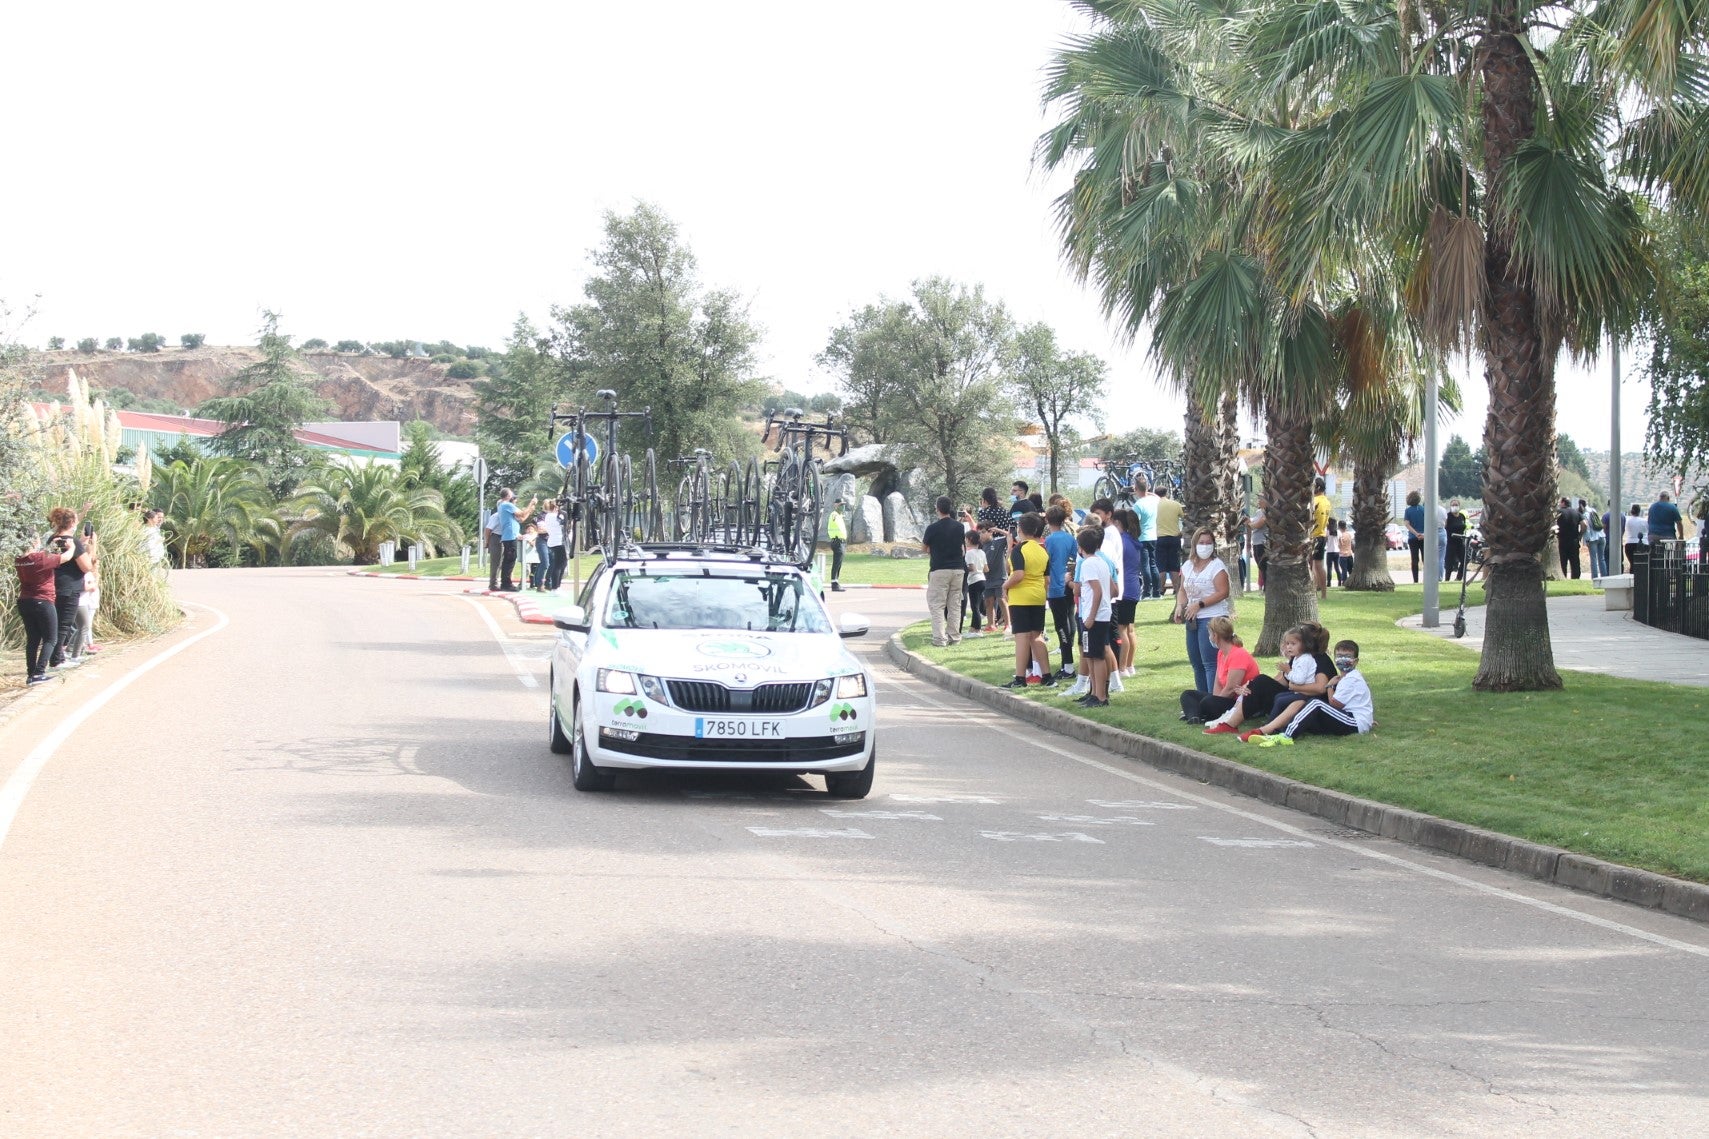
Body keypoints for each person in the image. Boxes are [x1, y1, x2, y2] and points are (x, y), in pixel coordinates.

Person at [1243, 639, 1374, 744]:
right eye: (1339, 656)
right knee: (1307, 706)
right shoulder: (1347, 677)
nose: (1343, 659)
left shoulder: (1351, 679)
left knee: (1316, 703)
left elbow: (1335, 704)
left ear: (1355, 661)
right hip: (1352, 718)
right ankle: (1274, 730)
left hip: (1354, 721)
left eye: (1347, 656)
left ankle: (1286, 735)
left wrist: (1329, 686)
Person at [1214, 623, 1335, 735]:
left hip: (1308, 703)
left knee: (1265, 686)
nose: (1289, 646)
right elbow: (1280, 681)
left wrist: (1294, 686)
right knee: (1260, 682)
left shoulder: (1320, 659)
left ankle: (1236, 723)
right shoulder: (1297, 657)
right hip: (1294, 695)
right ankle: (1231, 720)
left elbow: (1320, 688)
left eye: (1294, 642)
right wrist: (1252, 686)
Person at [1172, 526, 1231, 697]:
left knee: (1209, 662)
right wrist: (1179, 606)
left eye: (1208, 543)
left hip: (1211, 616)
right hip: (1193, 618)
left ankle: (1213, 699)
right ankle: (1201, 698)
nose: (1205, 546)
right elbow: (1182, 589)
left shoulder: (1216, 566)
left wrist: (1201, 604)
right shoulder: (1188, 565)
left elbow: (1223, 591)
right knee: (1196, 662)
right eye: (1202, 542)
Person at [1000, 513, 1053, 688]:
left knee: (1021, 637)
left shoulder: (1020, 549)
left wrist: (1005, 586)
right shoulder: (1042, 550)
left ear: (1020, 529)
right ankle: (1047, 676)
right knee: (1036, 636)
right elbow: (1047, 579)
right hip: (1038, 596)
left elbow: (1018, 574)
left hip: (1021, 597)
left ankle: (1020, 677)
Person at [14, 533, 74, 685]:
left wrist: (49, 547)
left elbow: (36, 556)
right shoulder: (41, 558)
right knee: (51, 638)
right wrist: (71, 546)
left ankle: (31, 674)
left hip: (25, 601)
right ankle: (39, 672)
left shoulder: (19, 560)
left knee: (33, 640)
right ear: (34, 541)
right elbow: (66, 557)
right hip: (43, 601)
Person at [1183, 616, 1258, 727]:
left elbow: (1231, 689)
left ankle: (1198, 712)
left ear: (1215, 636)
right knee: (1187, 695)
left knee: (1207, 702)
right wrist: (1214, 698)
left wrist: (1215, 701)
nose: (1209, 637)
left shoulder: (1238, 654)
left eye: (1209, 634)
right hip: (1225, 699)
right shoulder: (1221, 653)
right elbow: (1218, 681)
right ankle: (1195, 717)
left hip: (1239, 702)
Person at [47, 508, 93, 670]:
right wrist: (85, 549)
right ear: (72, 522)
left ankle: (56, 656)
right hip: (70, 587)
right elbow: (86, 566)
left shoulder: (52, 540)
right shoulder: (74, 542)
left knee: (57, 623)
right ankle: (57, 659)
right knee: (64, 625)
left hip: (53, 585)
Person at [1072, 525, 1113, 708]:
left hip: (1094, 617)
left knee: (1096, 656)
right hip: (1095, 614)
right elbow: (1110, 588)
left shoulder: (1088, 564)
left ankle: (1101, 696)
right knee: (1090, 654)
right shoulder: (1101, 562)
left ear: (1081, 547)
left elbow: (1097, 592)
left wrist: (1091, 616)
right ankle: (1094, 692)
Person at [1088, 498, 1125, 693]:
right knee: (1103, 643)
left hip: (1106, 600)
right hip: (1106, 597)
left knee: (1105, 643)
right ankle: (1105, 683)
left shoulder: (1108, 538)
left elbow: (1111, 571)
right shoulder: (1108, 535)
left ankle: (1113, 680)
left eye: (1100, 513)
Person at [922, 496, 965, 648]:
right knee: (954, 604)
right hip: (958, 569)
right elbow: (962, 546)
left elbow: (924, 548)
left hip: (940, 569)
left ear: (938, 509)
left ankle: (939, 638)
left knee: (937, 604)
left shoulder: (932, 528)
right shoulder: (959, 527)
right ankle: (954, 635)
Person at [1043, 505, 1078, 679]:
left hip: (1056, 587)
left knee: (1061, 626)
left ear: (1047, 521)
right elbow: (1073, 560)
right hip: (1068, 584)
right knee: (1069, 618)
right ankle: (1067, 663)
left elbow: (1045, 563)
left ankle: (1069, 666)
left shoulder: (1048, 540)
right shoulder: (1071, 538)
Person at [1112, 508, 1143, 676]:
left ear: (1117, 523)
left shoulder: (1121, 541)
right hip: (1133, 588)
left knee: (1121, 629)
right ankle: (1129, 665)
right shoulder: (1132, 540)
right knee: (1130, 629)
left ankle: (1122, 667)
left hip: (1124, 589)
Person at [492, 488, 537, 592]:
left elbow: (521, 518)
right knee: (510, 560)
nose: (513, 496)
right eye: (511, 494)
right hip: (510, 536)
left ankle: (506, 583)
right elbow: (522, 514)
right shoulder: (507, 505)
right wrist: (531, 503)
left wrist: (530, 509)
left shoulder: (504, 506)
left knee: (509, 560)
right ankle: (506, 584)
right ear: (508, 496)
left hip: (510, 535)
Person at [1132, 477, 1161, 599]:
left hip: (1142, 537)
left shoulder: (1138, 505)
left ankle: (1147, 592)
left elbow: (1134, 522)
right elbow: (1158, 498)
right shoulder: (1154, 501)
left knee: (1145, 565)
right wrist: (1148, 492)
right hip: (1154, 535)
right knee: (1154, 564)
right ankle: (1157, 592)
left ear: (1135, 488)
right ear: (1148, 488)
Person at [1154, 488, 1184, 598]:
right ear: (1167, 493)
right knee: (1174, 566)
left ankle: (1161, 590)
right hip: (1174, 538)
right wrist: (1182, 532)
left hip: (1161, 538)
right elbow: (1185, 518)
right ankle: (1177, 589)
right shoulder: (1175, 504)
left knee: (1161, 567)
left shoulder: (1156, 505)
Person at [962, 529, 988, 636]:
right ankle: (973, 628)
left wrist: (964, 567)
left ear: (970, 540)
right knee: (976, 604)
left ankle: (977, 630)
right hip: (982, 579)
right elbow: (986, 569)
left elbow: (971, 567)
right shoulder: (982, 552)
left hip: (974, 580)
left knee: (975, 607)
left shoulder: (969, 553)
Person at [1310, 476, 1332, 599]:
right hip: (1322, 535)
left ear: (1317, 488)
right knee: (1319, 566)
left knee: (1312, 566)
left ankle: (1313, 592)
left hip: (1314, 536)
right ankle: (1323, 593)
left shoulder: (1315, 501)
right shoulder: (1327, 502)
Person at [541, 499, 567, 591]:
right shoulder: (555, 516)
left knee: (561, 564)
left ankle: (556, 586)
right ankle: (555, 587)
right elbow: (564, 523)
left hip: (555, 541)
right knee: (559, 565)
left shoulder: (549, 516)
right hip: (558, 542)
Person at [1555, 496, 1583, 579]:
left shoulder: (1559, 512)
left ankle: (1563, 576)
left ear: (1563, 503)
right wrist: (1580, 535)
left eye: (1560, 502)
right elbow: (1584, 524)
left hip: (1562, 540)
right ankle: (1576, 577)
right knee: (1575, 561)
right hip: (1574, 540)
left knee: (1563, 561)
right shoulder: (1576, 513)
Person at [1581, 498, 1608, 579]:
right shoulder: (1593, 510)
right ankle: (1604, 576)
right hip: (1601, 536)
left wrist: (1587, 540)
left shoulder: (1585, 514)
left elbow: (1587, 528)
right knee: (1602, 558)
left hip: (1593, 538)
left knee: (1593, 559)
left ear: (1581, 505)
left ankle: (1595, 577)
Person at [1403, 489, 1425, 583]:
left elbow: (1407, 524)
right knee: (1425, 559)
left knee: (1414, 559)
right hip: (1424, 537)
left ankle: (1415, 580)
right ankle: (1426, 579)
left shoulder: (1408, 511)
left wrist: (1416, 534)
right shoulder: (1423, 509)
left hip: (1413, 538)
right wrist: (1422, 534)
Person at [1247, 497, 1269, 591]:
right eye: (1258, 499)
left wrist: (1250, 524)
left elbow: (1259, 524)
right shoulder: (1258, 512)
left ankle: (1266, 588)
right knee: (1260, 565)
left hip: (1262, 543)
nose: (1259, 501)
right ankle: (1264, 587)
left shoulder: (1267, 513)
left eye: (1261, 499)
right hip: (1256, 542)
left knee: (1263, 565)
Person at [826, 498, 848, 591]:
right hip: (837, 541)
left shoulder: (839, 516)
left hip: (841, 542)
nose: (842, 506)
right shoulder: (834, 515)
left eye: (843, 505)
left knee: (839, 563)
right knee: (836, 563)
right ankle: (834, 584)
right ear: (836, 505)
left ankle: (836, 582)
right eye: (840, 505)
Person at [1445, 499, 1468, 581]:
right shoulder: (1448, 516)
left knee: (1464, 560)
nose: (1455, 506)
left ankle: (1459, 578)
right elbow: (1447, 527)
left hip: (1460, 542)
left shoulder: (1462, 516)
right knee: (1449, 562)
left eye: (1456, 505)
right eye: (1453, 505)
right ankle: (1447, 579)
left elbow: (1464, 526)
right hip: (1451, 542)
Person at [1623, 502, 1647, 571]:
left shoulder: (1627, 520)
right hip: (1643, 543)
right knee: (1642, 565)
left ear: (1631, 511)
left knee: (1632, 564)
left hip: (1629, 543)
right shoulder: (1644, 521)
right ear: (1639, 511)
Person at [522, 522, 544, 590]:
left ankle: (533, 584)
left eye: (531, 529)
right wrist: (529, 541)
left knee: (534, 571)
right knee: (527, 570)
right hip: (526, 555)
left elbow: (536, 541)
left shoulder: (537, 536)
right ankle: (522, 584)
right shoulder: (525, 536)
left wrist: (533, 542)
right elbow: (524, 538)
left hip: (535, 555)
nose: (530, 530)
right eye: (528, 529)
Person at [1336, 519, 1354, 585]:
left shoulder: (1340, 536)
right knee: (1350, 570)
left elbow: (1340, 545)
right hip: (1349, 554)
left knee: (1344, 570)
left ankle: (1344, 582)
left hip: (1343, 555)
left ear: (1339, 527)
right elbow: (1351, 544)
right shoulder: (1349, 535)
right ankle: (1352, 582)